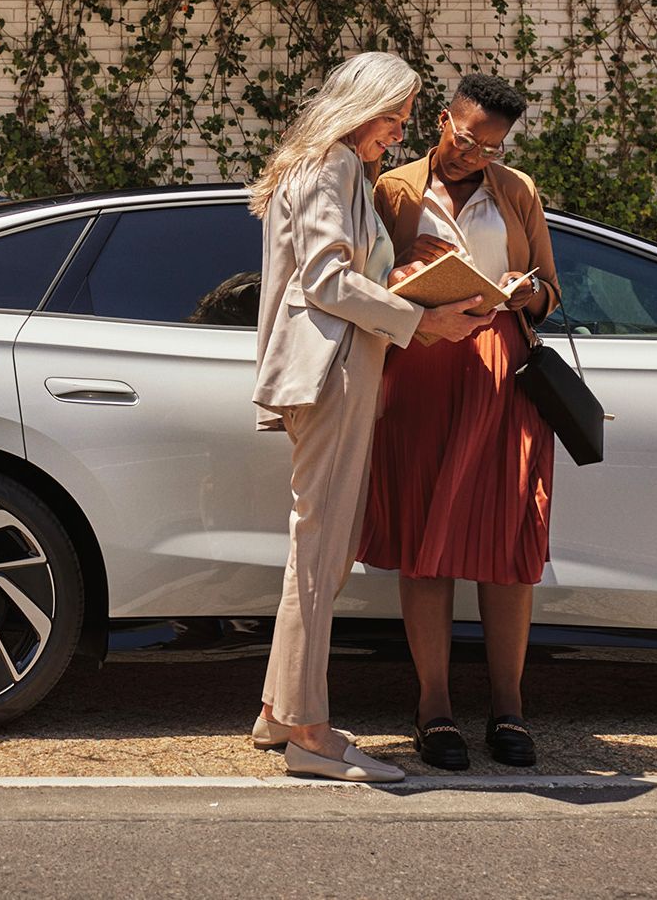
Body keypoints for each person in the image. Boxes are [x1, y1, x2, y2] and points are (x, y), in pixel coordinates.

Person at [249, 52, 491, 782]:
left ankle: (280, 711)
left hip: (335, 370)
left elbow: (341, 275)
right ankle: (309, 734)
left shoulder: (334, 167)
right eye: (394, 114)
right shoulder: (330, 165)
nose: (400, 129)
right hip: (334, 372)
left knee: (317, 547)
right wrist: (421, 322)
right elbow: (326, 281)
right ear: (361, 106)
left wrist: (410, 283)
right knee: (320, 550)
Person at [360, 72, 560, 771]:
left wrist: (526, 291)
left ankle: (509, 707)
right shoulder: (393, 189)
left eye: (492, 148)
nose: (475, 155)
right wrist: (402, 272)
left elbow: (549, 290)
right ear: (444, 120)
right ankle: (434, 708)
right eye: (468, 139)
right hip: (420, 366)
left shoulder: (518, 191)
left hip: (502, 372)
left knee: (507, 540)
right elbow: (361, 280)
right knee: (425, 539)